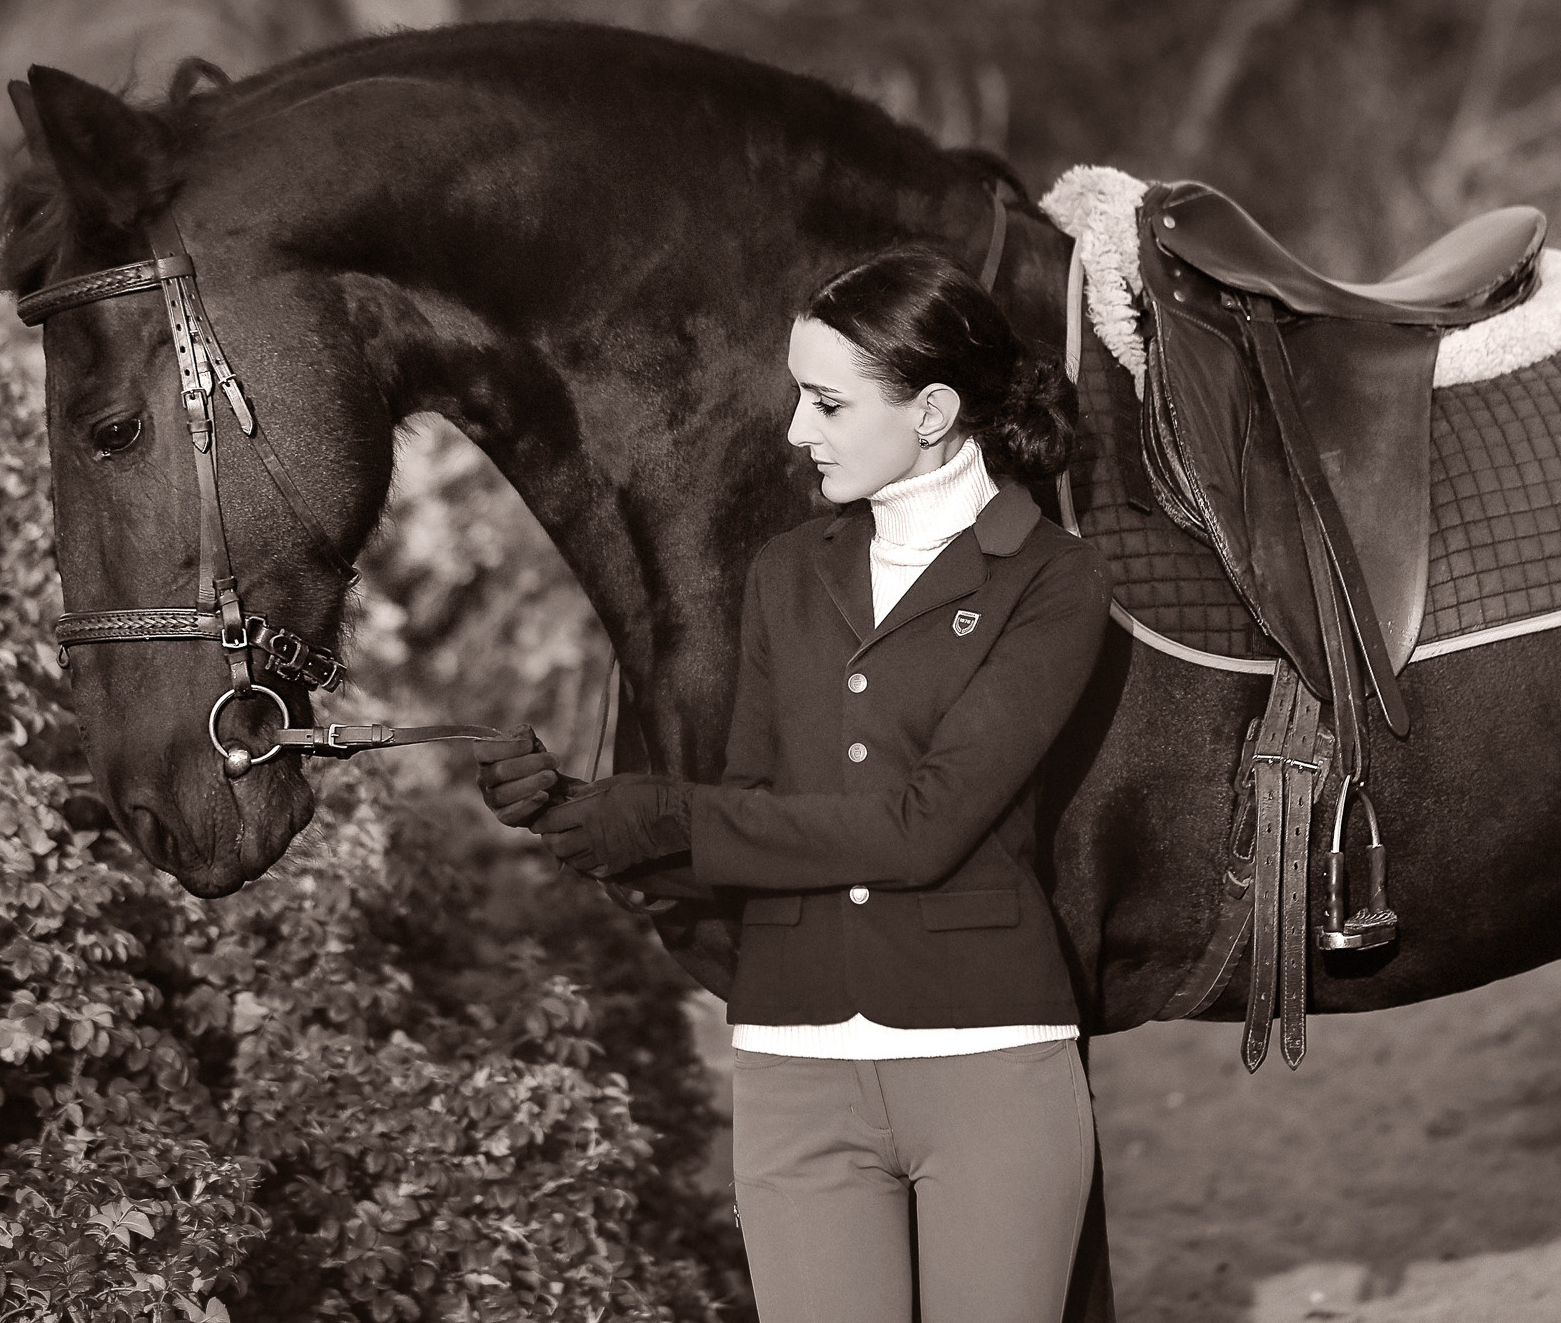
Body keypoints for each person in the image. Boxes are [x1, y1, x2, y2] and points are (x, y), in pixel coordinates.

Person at [470, 246, 1112, 1323]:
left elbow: (923, 829)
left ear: (932, 411)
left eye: (828, 403)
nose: (796, 431)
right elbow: (758, 820)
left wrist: (667, 813)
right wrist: (581, 817)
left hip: (987, 1061)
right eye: (799, 398)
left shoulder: (1054, 580)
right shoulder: (785, 571)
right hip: (792, 1066)